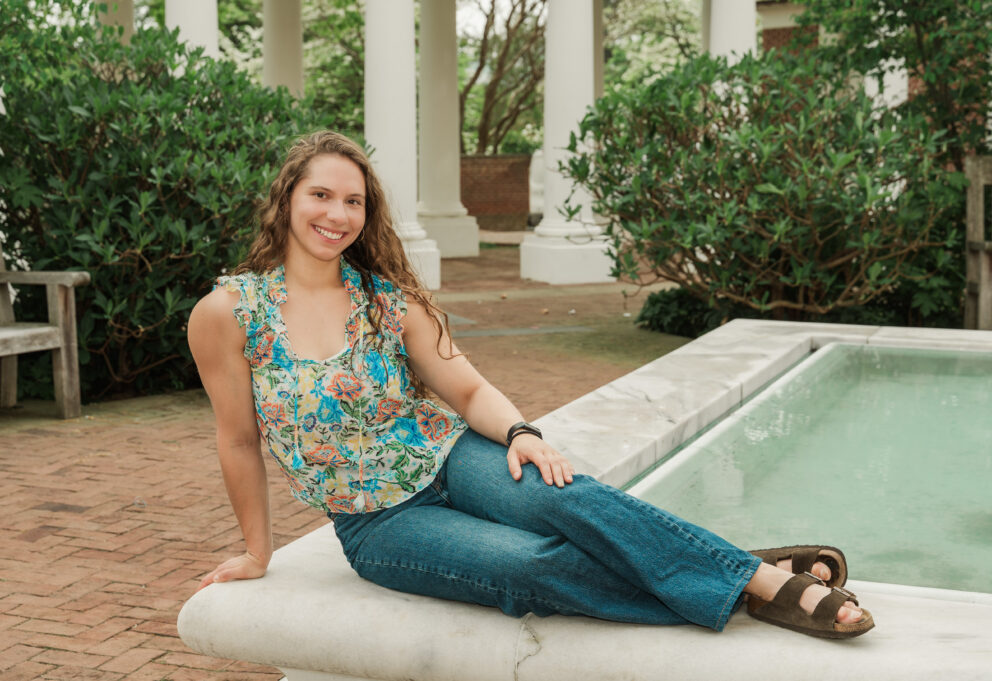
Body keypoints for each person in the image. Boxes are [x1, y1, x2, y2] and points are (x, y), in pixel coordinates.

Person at [187, 131, 874, 640]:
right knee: (530, 566)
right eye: (321, 195)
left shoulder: (385, 300)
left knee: (569, 501)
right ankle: (746, 575)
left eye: (354, 201)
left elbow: (467, 390)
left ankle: (751, 581)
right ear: (287, 199)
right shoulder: (228, 314)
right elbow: (238, 439)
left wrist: (520, 433)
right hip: (379, 521)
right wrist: (256, 549)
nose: (337, 214)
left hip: (452, 455)